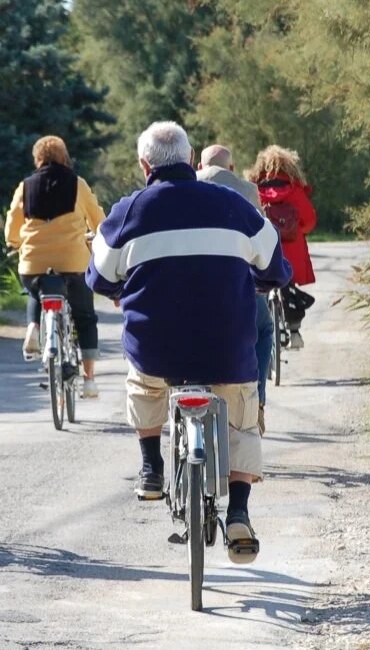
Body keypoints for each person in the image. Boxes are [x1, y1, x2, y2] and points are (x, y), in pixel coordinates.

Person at [86, 122, 291, 562]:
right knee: (241, 416)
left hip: (157, 350)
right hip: (226, 350)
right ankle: (238, 511)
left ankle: (151, 467)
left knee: (143, 384)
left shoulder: (127, 212)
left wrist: (124, 290)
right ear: (189, 155)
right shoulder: (234, 206)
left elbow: (98, 276)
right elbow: (276, 267)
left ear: (144, 165)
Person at [4, 135, 105, 397]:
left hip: (33, 264)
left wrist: (16, 242)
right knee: (84, 317)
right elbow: (98, 221)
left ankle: (33, 328)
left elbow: (11, 230)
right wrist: (96, 236)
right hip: (73, 263)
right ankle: (90, 380)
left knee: (36, 289)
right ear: (64, 157)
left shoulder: (25, 186)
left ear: (38, 159)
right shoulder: (78, 184)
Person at [197, 144, 273, 435]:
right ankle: (259, 403)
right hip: (239, 287)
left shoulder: (186, 186)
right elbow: (260, 238)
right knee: (264, 330)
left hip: (192, 287)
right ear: (231, 168)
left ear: (199, 166)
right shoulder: (248, 190)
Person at [246, 146, 317, 350]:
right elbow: (310, 221)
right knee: (289, 287)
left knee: (257, 286)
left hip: (263, 251)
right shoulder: (295, 190)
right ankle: (294, 331)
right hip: (291, 252)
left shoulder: (253, 188)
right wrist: (297, 231)